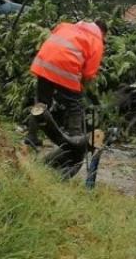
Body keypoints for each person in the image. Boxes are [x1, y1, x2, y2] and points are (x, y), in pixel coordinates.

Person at [27, 19, 107, 177]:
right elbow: (89, 73)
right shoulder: (96, 40)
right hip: (64, 67)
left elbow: (54, 44)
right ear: (103, 32)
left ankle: (31, 138)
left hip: (43, 62)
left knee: (41, 104)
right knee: (75, 106)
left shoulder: (67, 26)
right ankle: (75, 140)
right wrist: (81, 86)